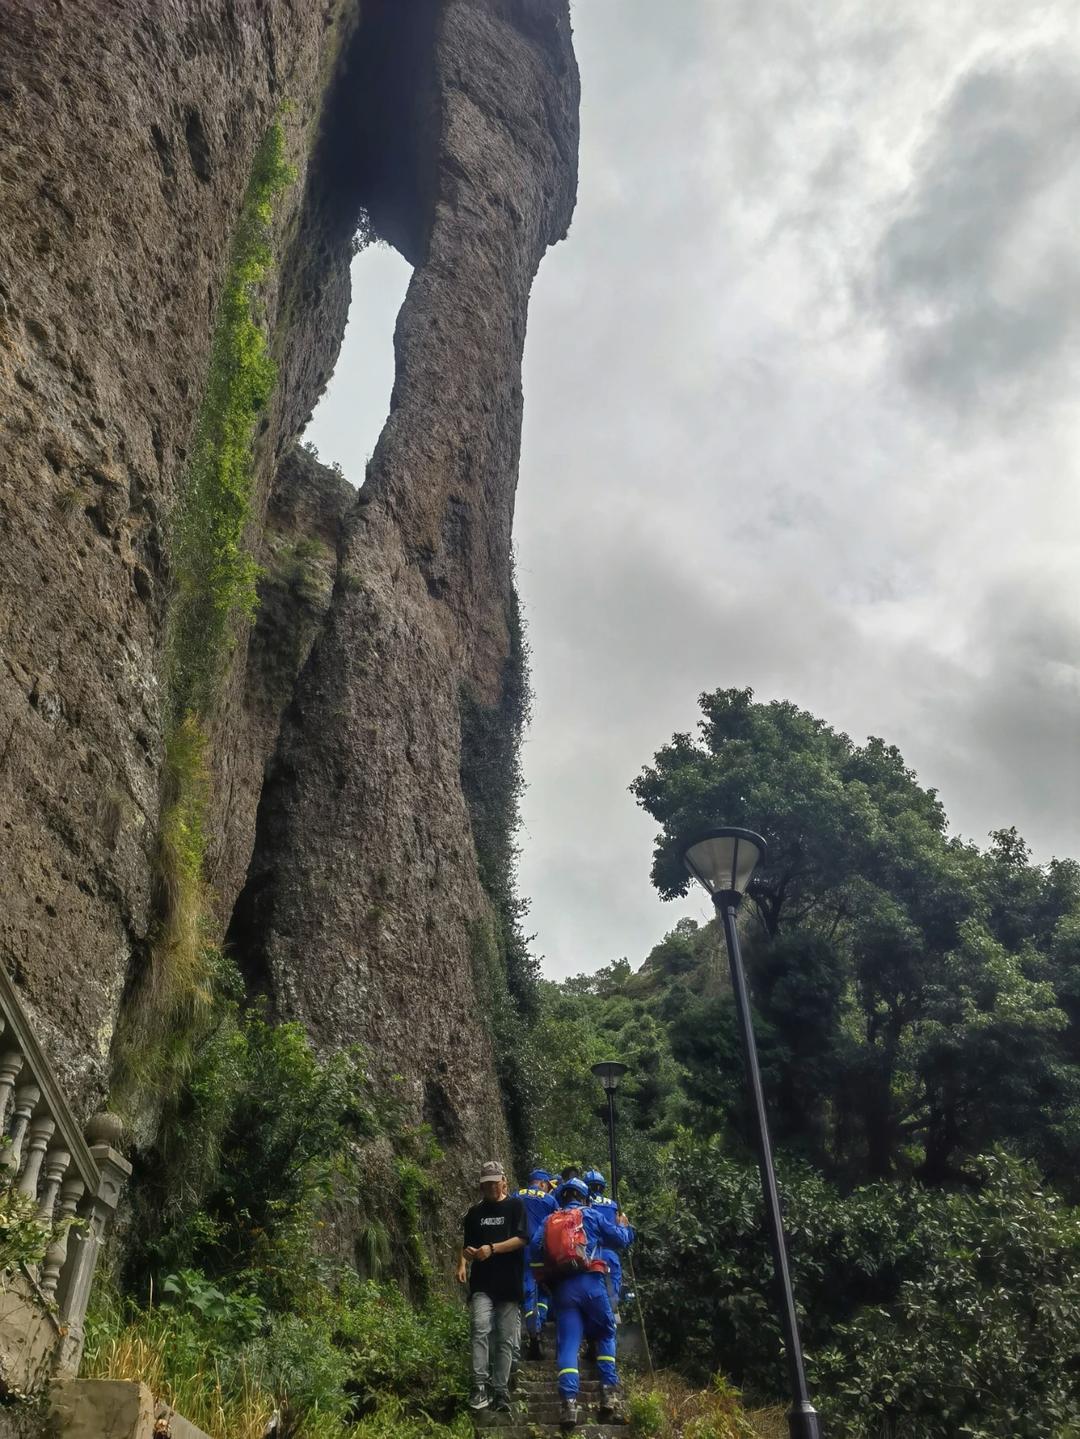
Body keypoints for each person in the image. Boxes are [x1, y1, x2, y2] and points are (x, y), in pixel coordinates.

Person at [528, 1176, 635, 1430]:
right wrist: (627, 1227)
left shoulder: (549, 1220)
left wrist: (544, 1276)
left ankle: (568, 1406)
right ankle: (608, 1394)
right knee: (605, 1332)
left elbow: (534, 1249)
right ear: (585, 1198)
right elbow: (619, 1240)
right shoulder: (593, 1215)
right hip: (592, 1285)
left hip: (564, 1291)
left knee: (568, 1345)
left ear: (562, 1196)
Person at [458, 1160, 528, 1414]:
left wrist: (492, 1249)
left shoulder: (515, 1206)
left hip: (509, 1283)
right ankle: (479, 1386)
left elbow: (522, 1239)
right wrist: (465, 1258)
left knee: (505, 1339)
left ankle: (500, 1389)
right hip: (483, 1283)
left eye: (493, 1182)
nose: (489, 1188)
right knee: (480, 1328)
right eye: (484, 1184)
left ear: (503, 1181)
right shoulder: (474, 1213)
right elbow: (467, 1244)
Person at [518, 1168, 558, 1359]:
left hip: (520, 1250)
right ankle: (540, 1324)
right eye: (548, 1186)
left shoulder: (516, 1195)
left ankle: (534, 1335)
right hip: (542, 1253)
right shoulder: (549, 1200)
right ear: (542, 1184)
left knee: (528, 1292)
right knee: (543, 1291)